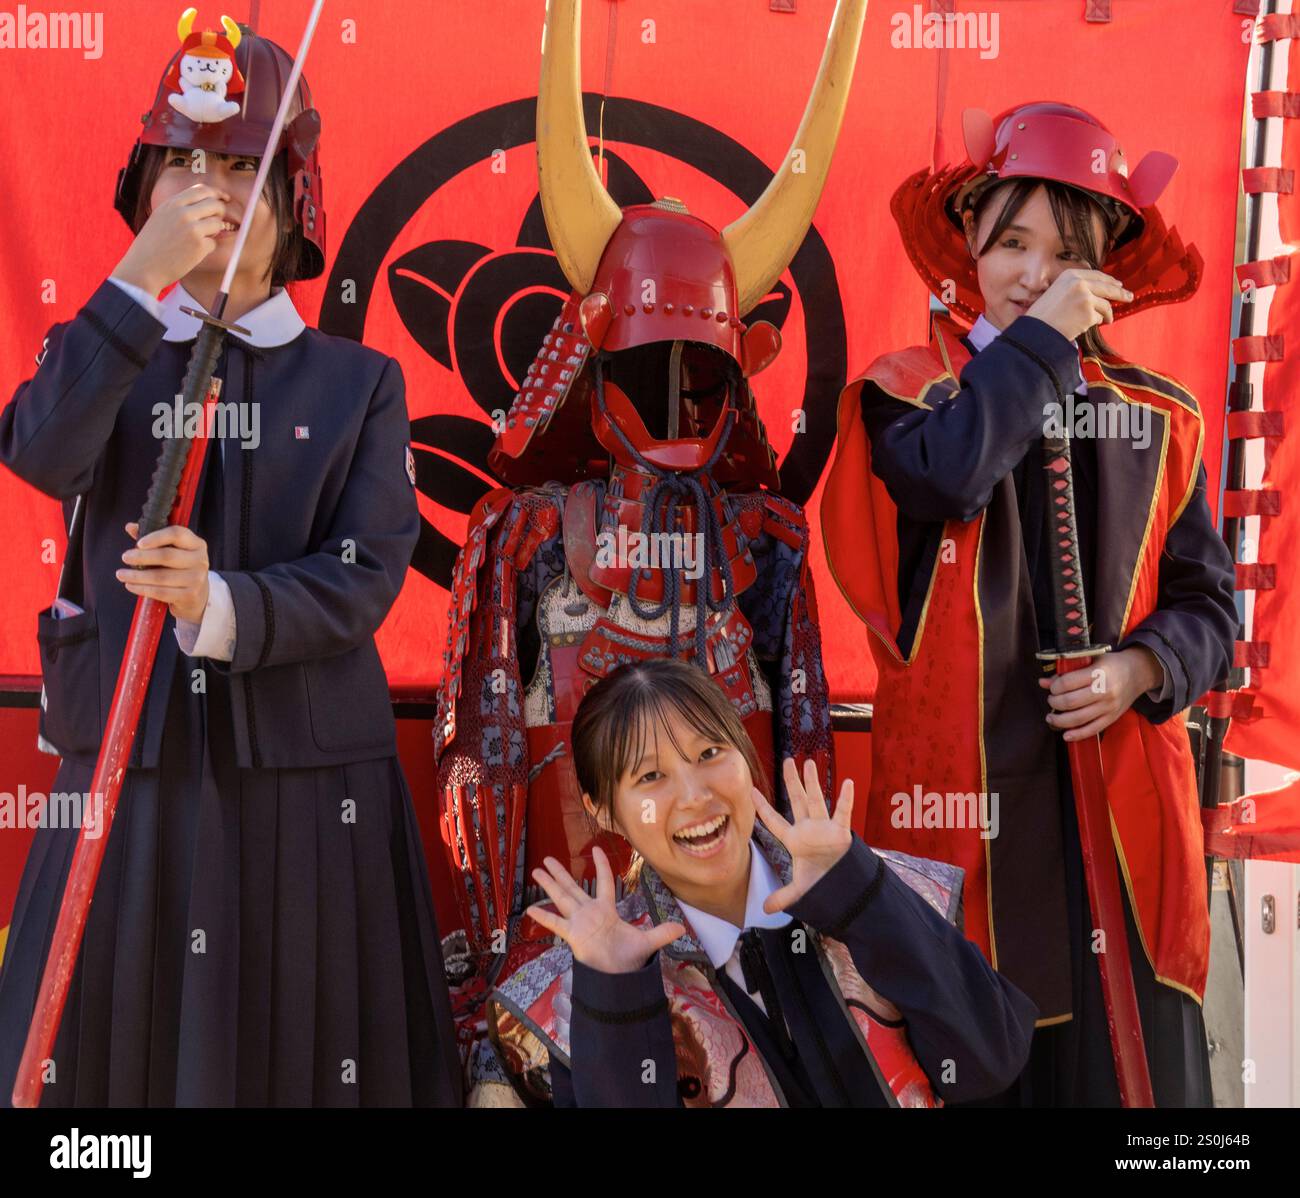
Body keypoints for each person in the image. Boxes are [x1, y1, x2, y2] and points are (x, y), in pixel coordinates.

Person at [0, 15, 461, 1107]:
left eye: (243, 164)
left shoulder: (360, 383)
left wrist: (224, 604)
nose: (211, 189)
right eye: (185, 163)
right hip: (129, 767)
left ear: (295, 197)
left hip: (306, 788)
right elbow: (37, 450)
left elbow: (365, 573)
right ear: (145, 185)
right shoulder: (102, 350)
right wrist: (132, 284)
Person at [822, 102, 1239, 1106]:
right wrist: (1043, 343)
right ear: (968, 244)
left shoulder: (1161, 419)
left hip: (1120, 815)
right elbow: (949, 477)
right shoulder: (907, 394)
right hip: (957, 819)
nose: (1032, 273)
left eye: (1063, 253)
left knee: (1136, 1088)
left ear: (1103, 270)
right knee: (970, 1062)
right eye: (1011, 242)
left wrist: (1139, 669)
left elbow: (1211, 612)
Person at [476, 657, 1038, 1108]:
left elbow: (987, 1064)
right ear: (603, 810)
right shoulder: (575, 992)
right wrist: (617, 998)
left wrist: (865, 899)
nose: (696, 795)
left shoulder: (881, 888)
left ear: (746, 756)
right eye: (651, 776)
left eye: (710, 753)